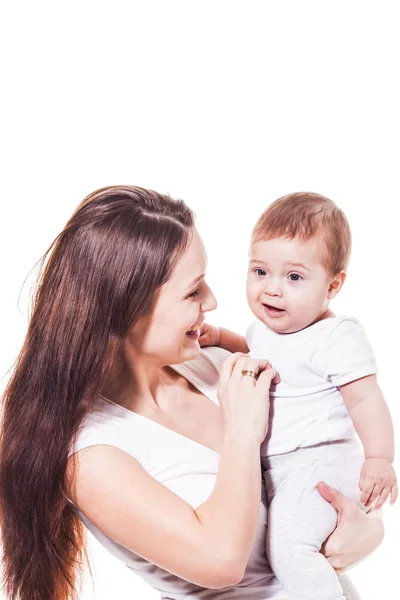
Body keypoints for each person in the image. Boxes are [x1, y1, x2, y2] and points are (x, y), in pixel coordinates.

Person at [0, 186, 384, 600]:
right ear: (125, 307)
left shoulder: (214, 366)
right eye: (193, 291)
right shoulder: (91, 454)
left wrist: (369, 531)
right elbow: (220, 562)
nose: (213, 301)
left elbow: (317, 455)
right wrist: (241, 435)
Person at [200, 192, 396, 600]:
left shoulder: (335, 336)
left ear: (333, 285)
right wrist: (220, 337)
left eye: (293, 277)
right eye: (260, 271)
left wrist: (380, 458)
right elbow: (252, 348)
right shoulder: (266, 329)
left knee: (290, 546)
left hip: (320, 460)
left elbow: (366, 400)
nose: (272, 290)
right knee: (297, 556)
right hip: (281, 470)